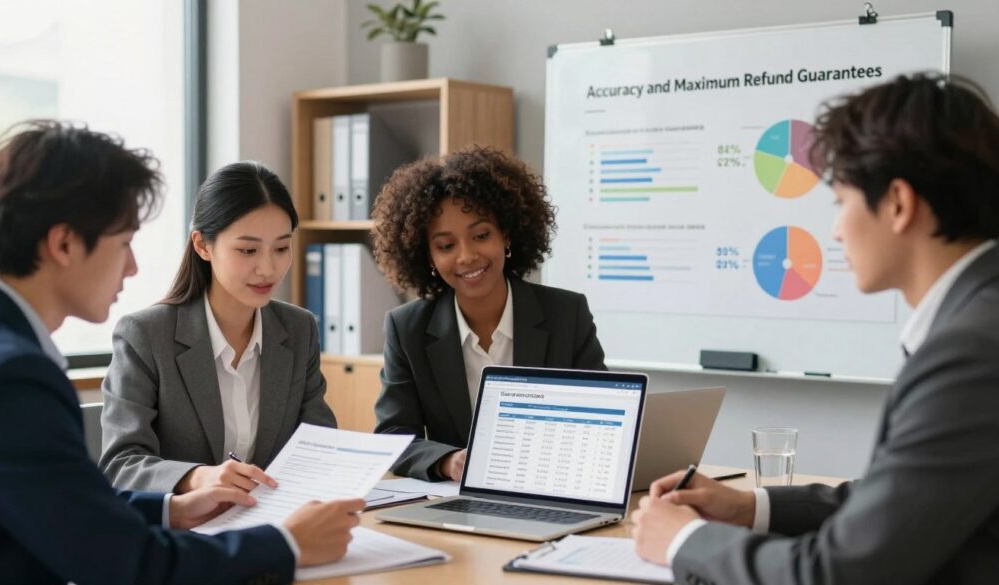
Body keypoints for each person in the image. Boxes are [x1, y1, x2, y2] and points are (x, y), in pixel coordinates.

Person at [632, 73, 999, 585]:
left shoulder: (970, 351)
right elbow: (900, 504)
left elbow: (839, 574)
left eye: (840, 202)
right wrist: (748, 507)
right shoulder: (978, 317)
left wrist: (682, 541)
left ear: (897, 203)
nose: (835, 229)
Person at [0, 120, 362, 584]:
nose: (134, 265)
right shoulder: (10, 375)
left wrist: (170, 510)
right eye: (124, 243)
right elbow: (125, 561)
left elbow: (60, 504)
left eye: (281, 248)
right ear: (63, 243)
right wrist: (286, 544)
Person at [370, 145, 607, 481]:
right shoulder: (407, 328)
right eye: (446, 245)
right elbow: (393, 437)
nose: (466, 256)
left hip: (551, 487)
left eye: (481, 235)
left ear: (506, 235)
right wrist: (448, 461)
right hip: (457, 504)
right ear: (428, 257)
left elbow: (603, 422)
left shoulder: (567, 314)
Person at [100, 161, 336, 494]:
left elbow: (320, 447)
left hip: (275, 521)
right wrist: (199, 477)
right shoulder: (145, 335)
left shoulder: (299, 329)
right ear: (202, 245)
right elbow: (121, 465)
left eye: (282, 248)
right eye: (247, 250)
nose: (268, 268)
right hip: (185, 530)